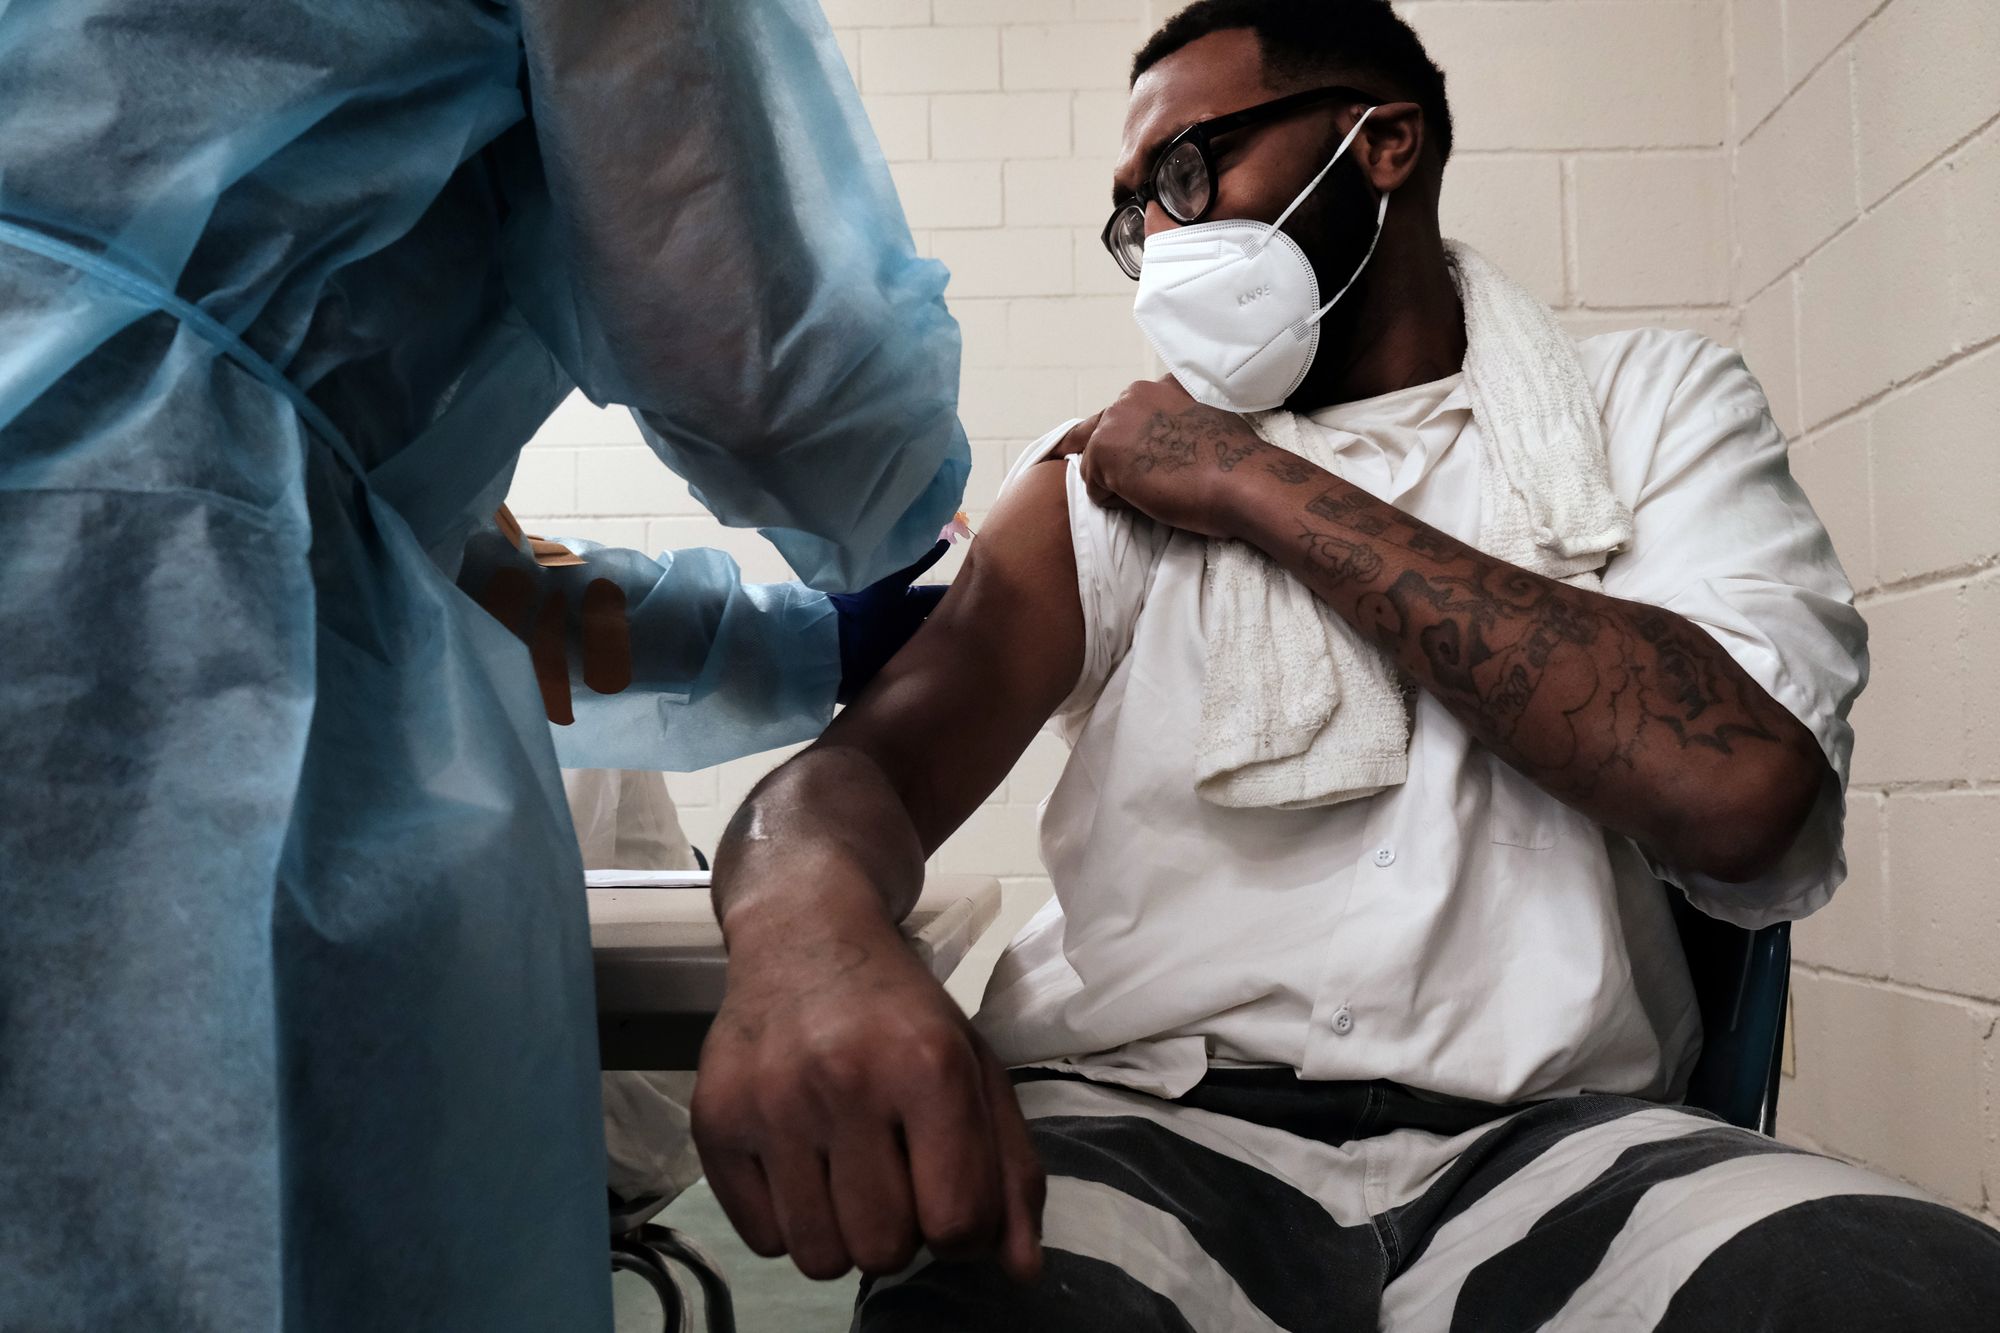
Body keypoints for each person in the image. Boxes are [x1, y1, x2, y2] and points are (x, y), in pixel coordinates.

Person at [691, 3, 2000, 1328]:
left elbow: (1747, 794)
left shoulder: (1648, 412)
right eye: (1132, 212)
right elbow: (862, 773)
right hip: (1140, 1119)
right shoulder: (1098, 482)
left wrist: (1252, 484)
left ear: (1382, 144)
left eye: (1186, 174)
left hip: (1558, 1138)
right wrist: (809, 933)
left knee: (1920, 1293)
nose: (1159, 243)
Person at [0, 2, 966, 1329]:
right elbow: (777, 372)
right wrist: (907, 516)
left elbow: (452, 574)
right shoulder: (198, 467)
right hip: (147, 687)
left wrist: (792, 647)